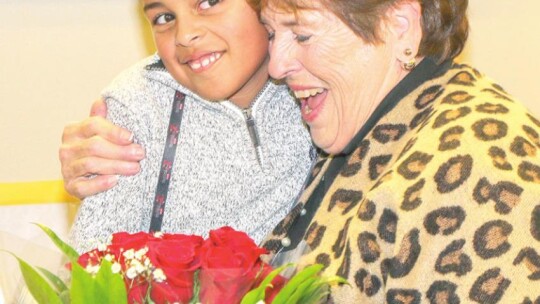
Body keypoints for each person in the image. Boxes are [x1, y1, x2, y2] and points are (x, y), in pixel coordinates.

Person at [253, 0, 540, 302]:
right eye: (272, 35)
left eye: (302, 36)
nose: (276, 66)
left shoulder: (472, 170)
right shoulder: (372, 130)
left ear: (400, 26)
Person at [66, 0, 315, 253]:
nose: (184, 36)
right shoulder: (137, 106)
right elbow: (93, 267)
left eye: (209, 2)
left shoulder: (320, 77)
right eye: (164, 18)